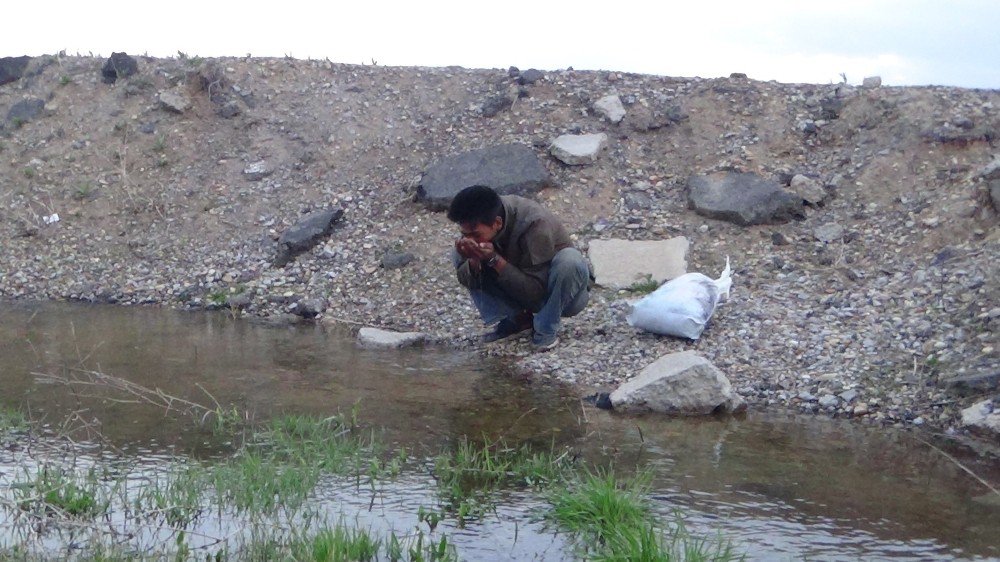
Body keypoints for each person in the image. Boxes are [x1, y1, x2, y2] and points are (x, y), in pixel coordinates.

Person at [447, 185, 590, 350]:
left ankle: (546, 329)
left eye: (476, 235)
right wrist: (474, 261)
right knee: (459, 253)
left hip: (562, 296)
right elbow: (468, 281)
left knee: (570, 260)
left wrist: (494, 259)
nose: (472, 240)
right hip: (518, 286)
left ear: (497, 223)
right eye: (465, 234)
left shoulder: (535, 225)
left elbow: (536, 292)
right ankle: (517, 321)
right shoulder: (485, 219)